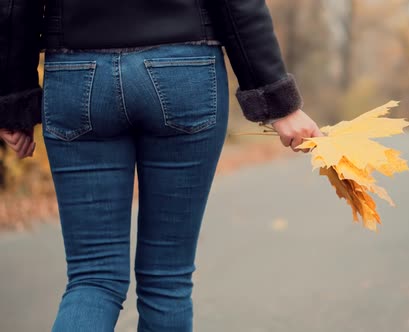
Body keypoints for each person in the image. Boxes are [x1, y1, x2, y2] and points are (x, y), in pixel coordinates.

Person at [0, 0, 323, 330]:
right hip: (183, 69)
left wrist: (14, 101)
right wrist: (277, 101)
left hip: (77, 74)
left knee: (92, 280)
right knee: (167, 284)